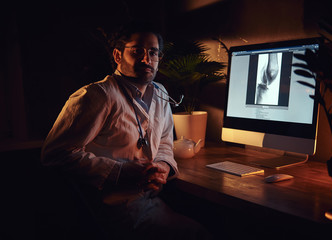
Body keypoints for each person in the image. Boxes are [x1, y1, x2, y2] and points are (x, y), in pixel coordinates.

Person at [41, 21, 211, 240]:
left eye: (153, 52)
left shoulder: (160, 94)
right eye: (137, 51)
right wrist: (118, 172)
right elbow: (55, 154)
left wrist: (164, 166)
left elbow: (166, 142)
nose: (146, 59)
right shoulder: (97, 96)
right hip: (115, 209)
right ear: (118, 55)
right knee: (198, 234)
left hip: (153, 197)